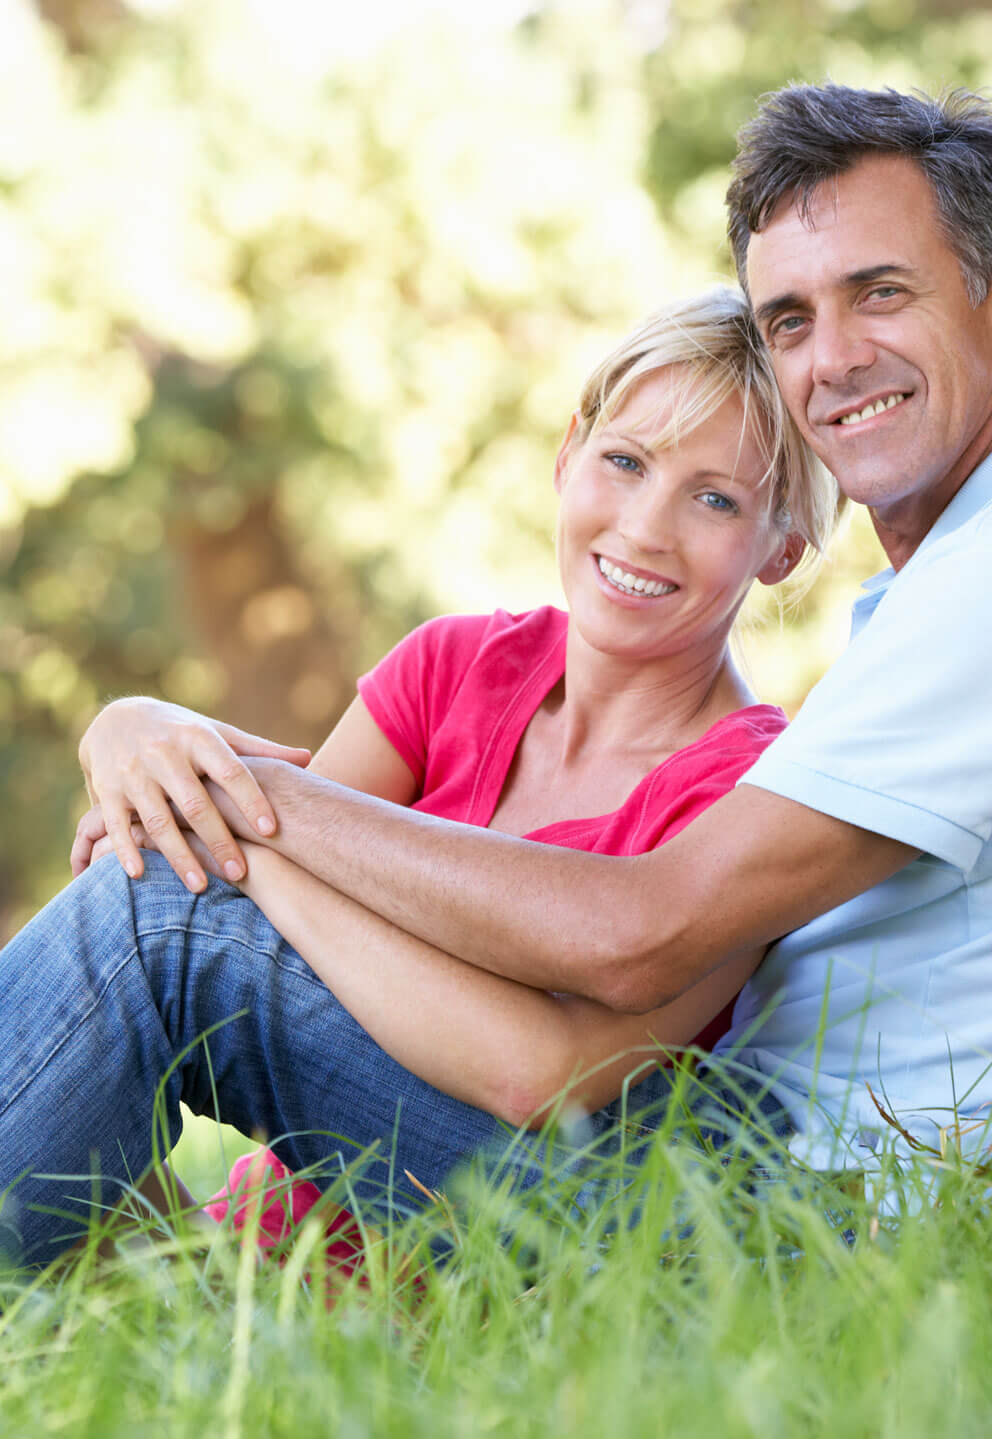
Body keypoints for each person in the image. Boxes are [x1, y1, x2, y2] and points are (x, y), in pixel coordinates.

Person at [3, 83, 992, 1261]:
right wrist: (159, 745)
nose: (831, 359)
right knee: (167, 904)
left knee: (159, 920)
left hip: (774, 1219)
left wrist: (227, 794)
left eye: (881, 294)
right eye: (790, 319)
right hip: (736, 1169)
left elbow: (636, 935)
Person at [0, 287, 837, 1267]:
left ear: (779, 545)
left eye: (713, 498)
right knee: (161, 891)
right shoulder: (455, 669)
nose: (646, 526)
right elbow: (226, 871)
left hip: (543, 1223)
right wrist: (130, 725)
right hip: (281, 1241)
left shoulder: (747, 794)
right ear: (569, 454)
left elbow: (550, 1074)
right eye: (624, 461)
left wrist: (247, 853)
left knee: (165, 913)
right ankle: (141, 1283)